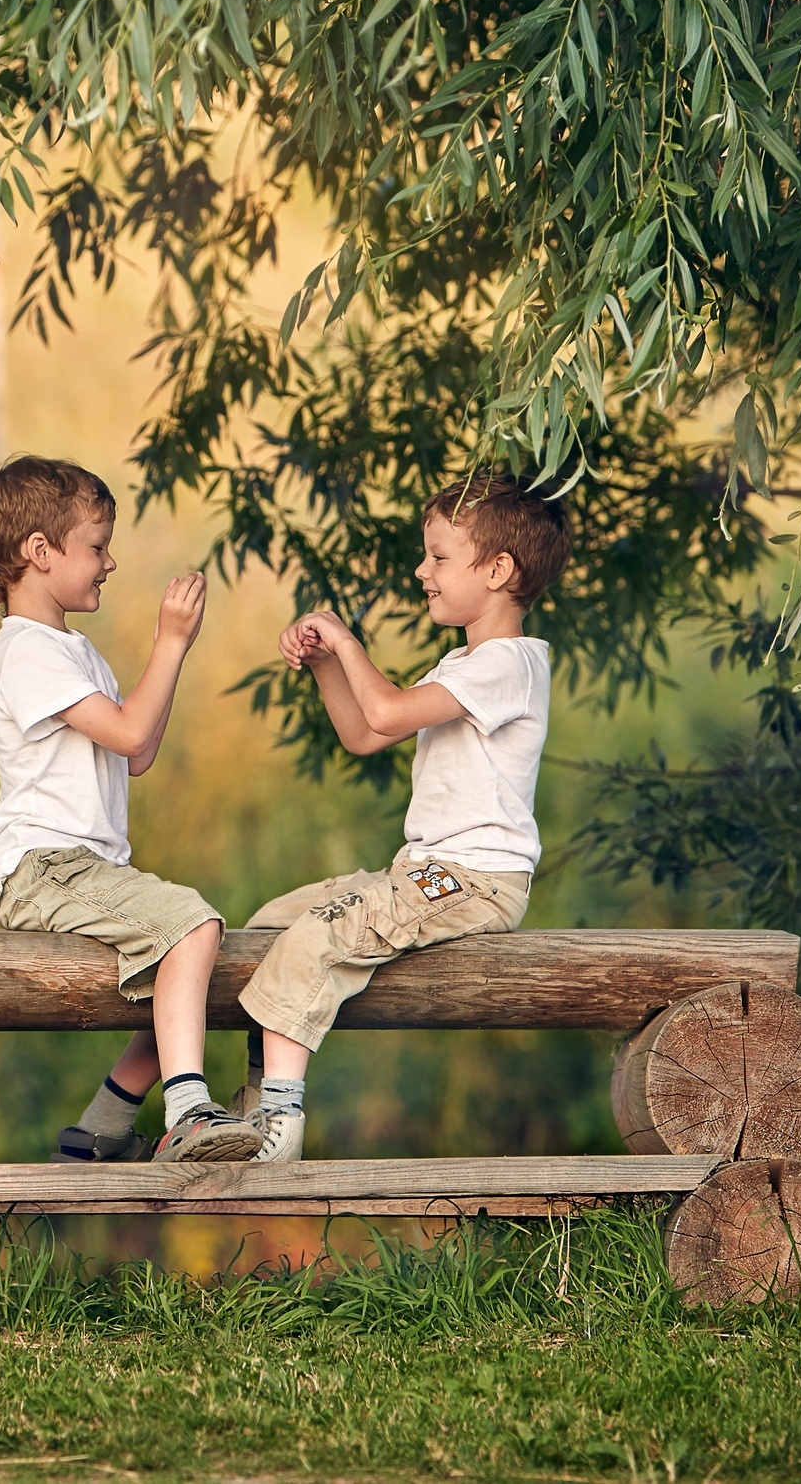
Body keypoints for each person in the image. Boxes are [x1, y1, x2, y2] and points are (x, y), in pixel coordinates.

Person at [235, 473, 571, 1163]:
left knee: (315, 938)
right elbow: (367, 732)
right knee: (270, 922)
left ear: (499, 569)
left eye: (439, 556)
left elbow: (385, 709)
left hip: (473, 881)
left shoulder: (510, 663)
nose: (423, 569)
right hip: (423, 872)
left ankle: (277, 1131)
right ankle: (249, 1108)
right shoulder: (465, 661)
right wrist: (328, 665)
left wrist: (347, 640)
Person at [0, 455, 260, 1164]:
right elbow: (130, 732)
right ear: (40, 551)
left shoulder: (73, 649)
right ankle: (188, 1110)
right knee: (194, 925)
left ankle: (100, 1126)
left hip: (83, 867)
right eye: (96, 546)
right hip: (41, 868)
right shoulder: (26, 652)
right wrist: (169, 641)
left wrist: (171, 656)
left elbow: (136, 751)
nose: (110, 562)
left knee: (189, 963)